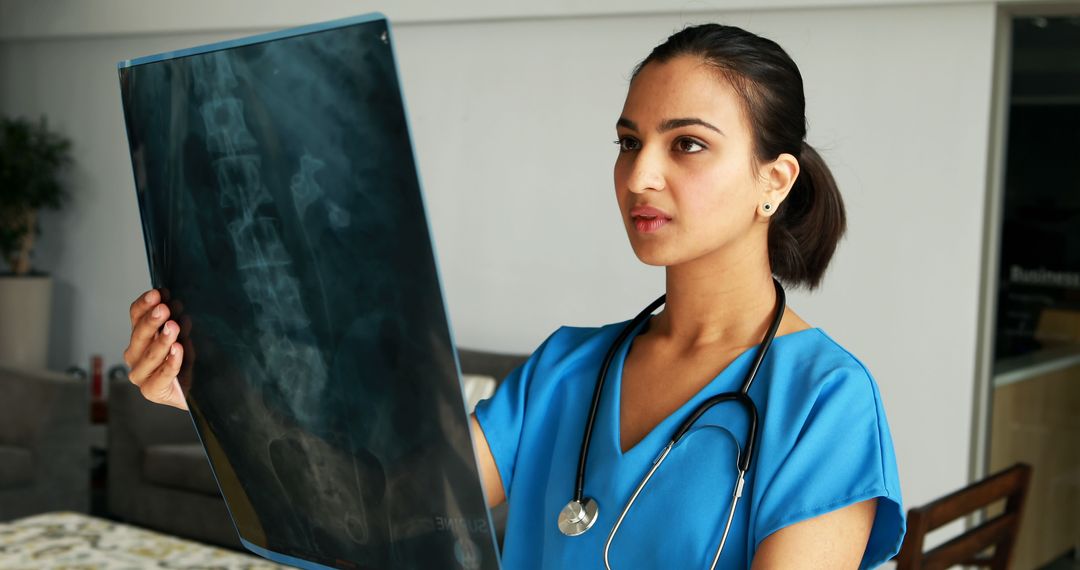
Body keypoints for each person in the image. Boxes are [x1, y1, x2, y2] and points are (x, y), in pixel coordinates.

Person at [124, 23, 904, 569]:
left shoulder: (826, 402)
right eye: (629, 142)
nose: (639, 175)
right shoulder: (567, 367)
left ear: (775, 180)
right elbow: (386, 515)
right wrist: (212, 391)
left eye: (687, 144)